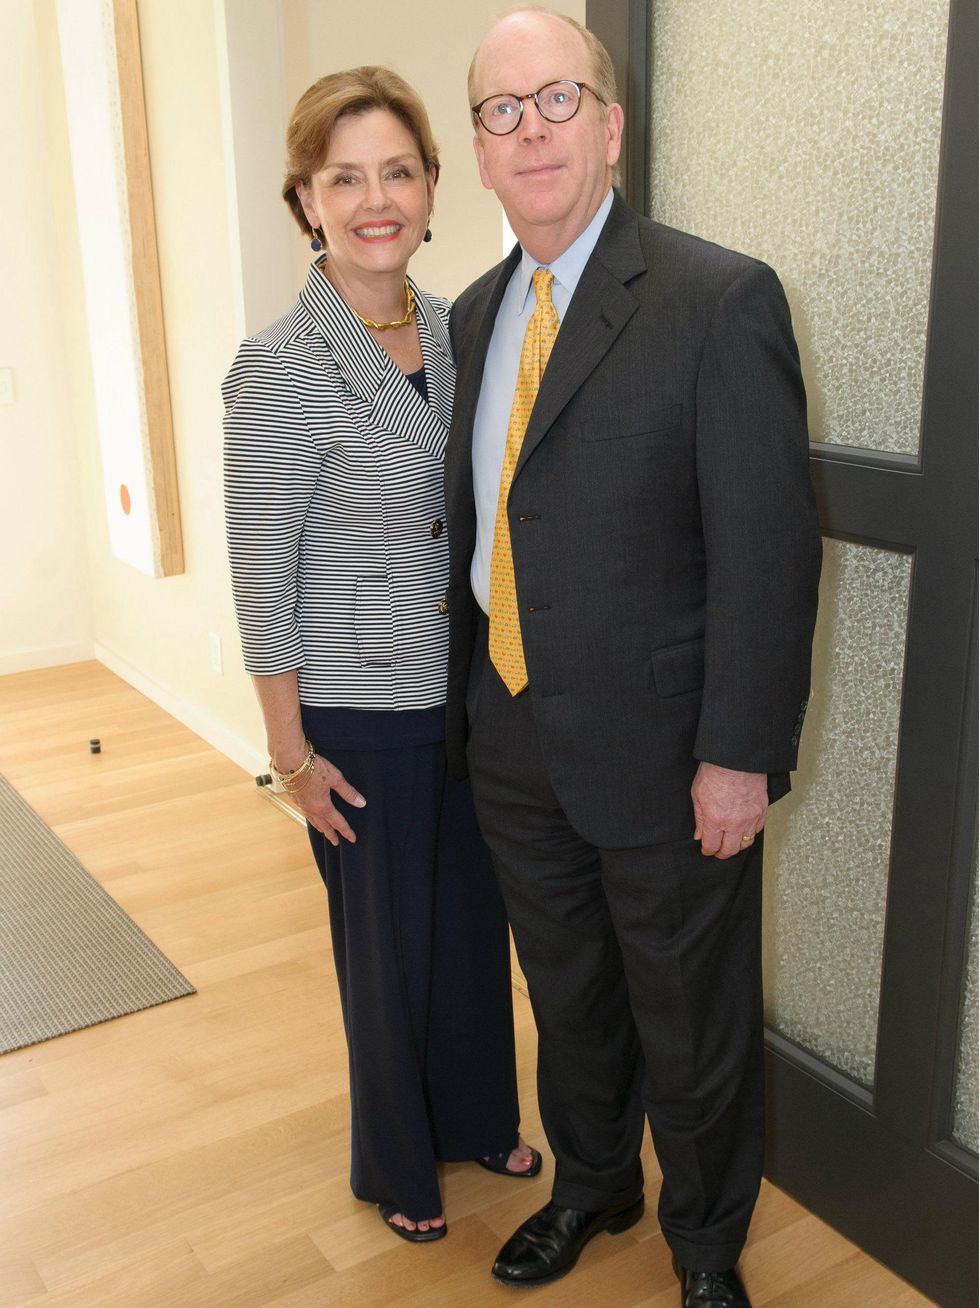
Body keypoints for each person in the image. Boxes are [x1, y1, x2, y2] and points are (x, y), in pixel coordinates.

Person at [444, 11, 821, 1304]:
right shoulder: (478, 317)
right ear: (481, 156)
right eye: (502, 111)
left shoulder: (719, 301)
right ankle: (594, 1186)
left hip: (670, 762)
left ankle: (707, 1248)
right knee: (571, 1000)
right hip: (512, 740)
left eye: (558, 100)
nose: (531, 129)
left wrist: (739, 757)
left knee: (692, 1021)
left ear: (611, 125)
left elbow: (770, 555)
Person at [223, 66, 539, 1244]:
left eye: (395, 172)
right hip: (357, 714)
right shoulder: (275, 367)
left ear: (430, 189)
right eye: (343, 176)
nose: (373, 198)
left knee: (469, 933)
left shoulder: (463, 332)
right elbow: (262, 580)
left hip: (466, 696)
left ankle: (475, 1119)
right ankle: (398, 1167)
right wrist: (289, 757)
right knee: (385, 955)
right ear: (305, 200)